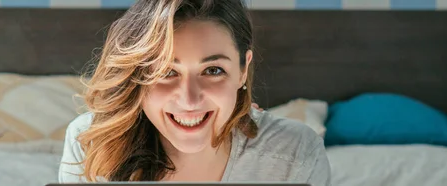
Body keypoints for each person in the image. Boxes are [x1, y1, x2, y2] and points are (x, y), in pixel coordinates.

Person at [58, 0, 331, 185]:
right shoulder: (90, 142)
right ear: (138, 77)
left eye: (213, 70)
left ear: (242, 71)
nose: (189, 100)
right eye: (166, 72)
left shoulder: (294, 152)